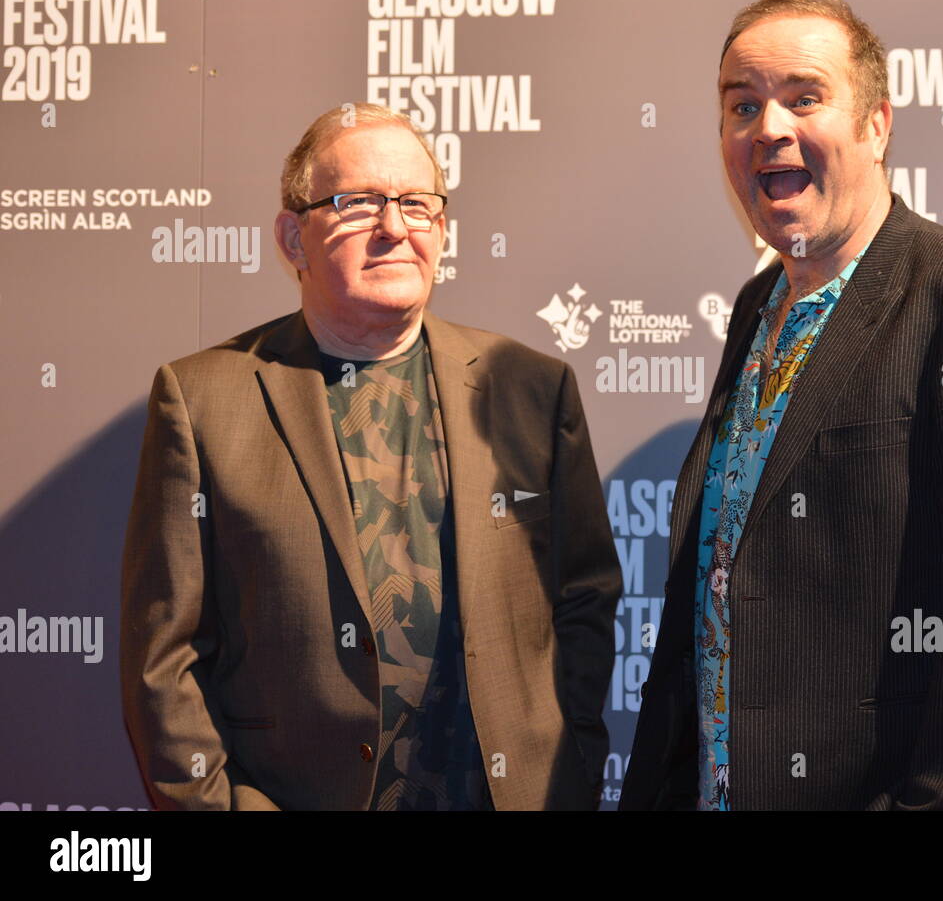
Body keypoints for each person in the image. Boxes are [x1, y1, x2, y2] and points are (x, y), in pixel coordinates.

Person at [621, 0, 943, 810]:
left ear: (875, 125)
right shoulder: (756, 309)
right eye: (742, 105)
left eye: (803, 97)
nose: (768, 127)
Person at [120, 103, 621, 810]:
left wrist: (565, 771)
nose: (393, 228)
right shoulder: (201, 400)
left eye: (417, 204)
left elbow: (584, 604)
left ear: (441, 229)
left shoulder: (533, 390)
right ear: (293, 238)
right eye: (358, 204)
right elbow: (163, 657)